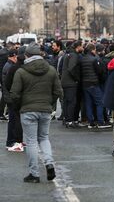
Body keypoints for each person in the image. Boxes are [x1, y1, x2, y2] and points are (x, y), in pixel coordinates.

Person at [10, 42, 63, 183]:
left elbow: (14, 94)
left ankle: (34, 174)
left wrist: (20, 106)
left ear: (26, 55)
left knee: (31, 141)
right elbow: (58, 91)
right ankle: (49, 163)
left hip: (27, 110)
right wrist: (50, 104)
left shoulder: (21, 71)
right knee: (44, 138)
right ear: (40, 55)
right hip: (45, 109)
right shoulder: (51, 70)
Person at [80, 44, 110, 129]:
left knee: (88, 103)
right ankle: (100, 122)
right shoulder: (95, 59)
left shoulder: (83, 59)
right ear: (93, 50)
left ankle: (91, 122)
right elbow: (100, 72)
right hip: (94, 83)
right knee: (99, 102)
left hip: (85, 83)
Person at [61, 40, 83, 128]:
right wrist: (77, 79)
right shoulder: (74, 56)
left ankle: (66, 119)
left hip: (65, 81)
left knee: (67, 101)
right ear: (78, 47)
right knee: (71, 102)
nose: (83, 48)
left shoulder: (68, 54)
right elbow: (71, 68)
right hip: (71, 82)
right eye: (82, 46)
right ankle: (70, 120)